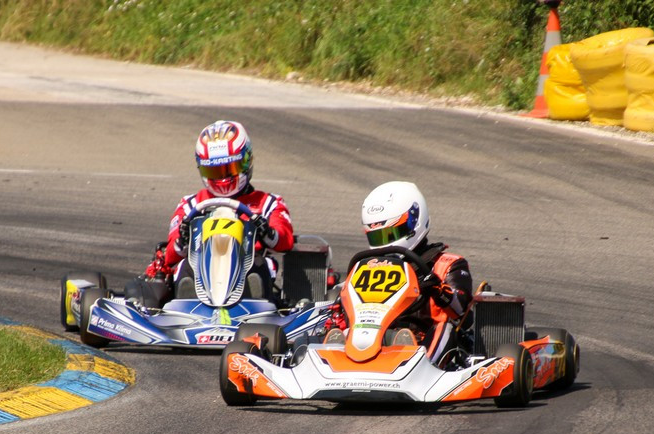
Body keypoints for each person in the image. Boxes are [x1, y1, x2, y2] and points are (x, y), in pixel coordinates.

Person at [137, 120, 294, 306]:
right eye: (214, 171)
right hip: (200, 267)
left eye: (229, 169)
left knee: (260, 267)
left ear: (246, 162)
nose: (222, 178)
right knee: (185, 268)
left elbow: (286, 241)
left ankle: (256, 308)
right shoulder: (190, 204)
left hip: (248, 265)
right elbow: (170, 256)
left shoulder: (267, 203)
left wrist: (267, 232)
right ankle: (187, 308)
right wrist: (183, 241)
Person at [325, 181, 473, 367]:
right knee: (338, 325)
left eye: (391, 234)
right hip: (376, 335)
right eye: (378, 237)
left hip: (422, 341)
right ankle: (333, 354)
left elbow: (462, 313)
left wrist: (436, 288)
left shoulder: (447, 264)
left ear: (413, 222)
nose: (385, 243)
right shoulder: (369, 267)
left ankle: (424, 365)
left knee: (445, 328)